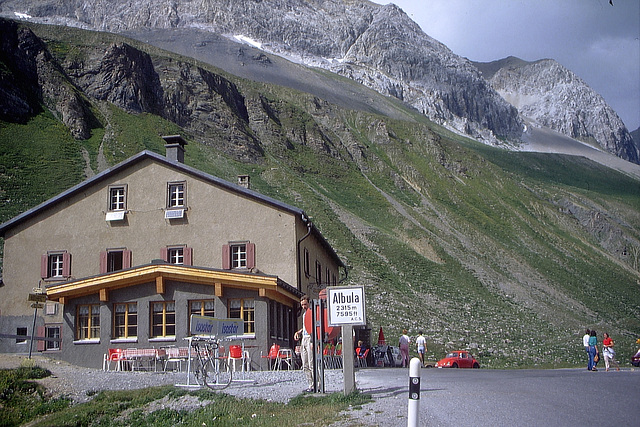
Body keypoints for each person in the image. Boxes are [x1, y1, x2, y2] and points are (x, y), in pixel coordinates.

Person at [294, 296, 314, 392]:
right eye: (302, 305)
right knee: (305, 363)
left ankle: (316, 384)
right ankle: (310, 384)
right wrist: (299, 332)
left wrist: (313, 341)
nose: (303, 306)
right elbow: (305, 326)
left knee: (311, 363)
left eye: (305, 304)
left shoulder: (312, 313)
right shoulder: (304, 315)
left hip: (310, 338)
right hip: (304, 338)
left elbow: (314, 327)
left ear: (309, 303)